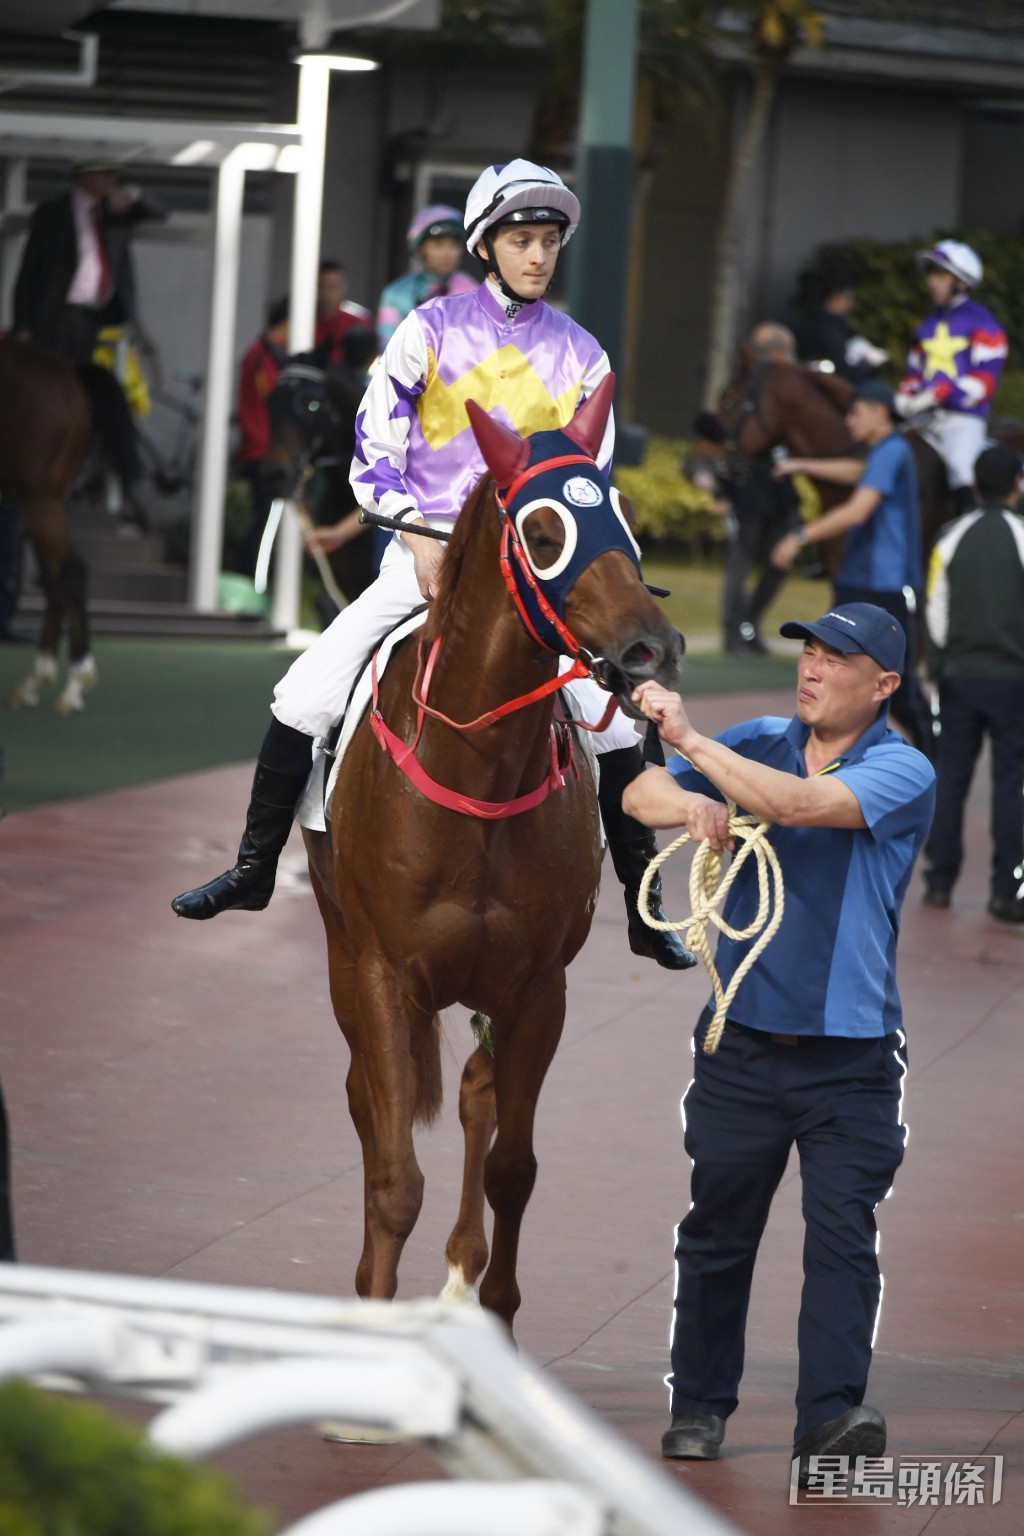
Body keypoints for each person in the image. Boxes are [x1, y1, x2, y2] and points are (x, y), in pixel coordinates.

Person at [171, 160, 696, 971]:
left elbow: (588, 482)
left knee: (620, 721)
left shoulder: (583, 355)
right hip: (423, 554)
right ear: (487, 246)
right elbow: (374, 450)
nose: (538, 256)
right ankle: (252, 869)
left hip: (534, 575)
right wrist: (415, 535)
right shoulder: (427, 329)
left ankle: (643, 903)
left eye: (550, 241)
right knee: (305, 691)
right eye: (522, 239)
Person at [623, 603, 935, 1482]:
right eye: (809, 651)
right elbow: (637, 794)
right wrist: (691, 803)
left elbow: (796, 806)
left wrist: (687, 734)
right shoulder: (759, 738)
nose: (811, 668)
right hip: (742, 1046)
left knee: (842, 1236)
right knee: (718, 1227)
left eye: (838, 660)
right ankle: (699, 1406)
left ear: (882, 686)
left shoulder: (902, 769)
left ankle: (830, 1418)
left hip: (854, 1062)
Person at [770, 379, 935, 757]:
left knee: (901, 688)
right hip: (859, 584)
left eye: (855, 413)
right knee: (842, 677)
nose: (848, 422)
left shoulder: (893, 450)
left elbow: (858, 509)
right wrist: (800, 463)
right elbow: (855, 471)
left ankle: (933, 768)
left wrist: (798, 536)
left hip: (888, 588)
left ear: (879, 412)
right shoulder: (882, 453)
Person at [11, 158, 166, 518]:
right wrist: (23, 324)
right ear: (81, 174)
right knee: (49, 396)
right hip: (54, 316)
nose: (110, 179)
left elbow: (161, 209)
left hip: (95, 320)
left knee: (100, 392)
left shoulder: (115, 212)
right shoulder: (52, 213)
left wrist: (131, 196)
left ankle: (124, 477)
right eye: (104, 172)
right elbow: (29, 271)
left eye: (113, 174)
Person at [921, 444, 1024, 921]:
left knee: (952, 779)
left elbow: (936, 610)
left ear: (976, 484)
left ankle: (939, 883)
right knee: (1011, 784)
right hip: (1013, 681)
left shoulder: (951, 536)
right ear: (1017, 484)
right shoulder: (1021, 535)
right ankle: (1006, 891)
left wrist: (943, 663)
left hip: (959, 677)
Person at [895, 240, 1008, 514]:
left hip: (963, 421)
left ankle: (970, 528)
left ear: (961, 282)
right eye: (931, 275)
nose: (932, 282)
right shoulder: (927, 325)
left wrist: (939, 394)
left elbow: (983, 383)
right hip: (923, 419)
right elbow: (914, 373)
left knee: (960, 468)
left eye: (940, 276)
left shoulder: (984, 322)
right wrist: (906, 397)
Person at [236, 296, 290, 577]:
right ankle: (252, 584)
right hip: (264, 450)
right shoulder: (263, 356)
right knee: (266, 524)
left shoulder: (262, 353)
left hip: (264, 449)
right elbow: (273, 398)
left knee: (266, 521)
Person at [375, 204, 477, 350]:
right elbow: (387, 345)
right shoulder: (396, 293)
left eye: (454, 245)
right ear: (420, 249)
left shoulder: (472, 290)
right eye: (438, 244)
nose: (447, 253)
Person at [791, 273, 888, 383]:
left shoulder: (813, 320)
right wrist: (867, 365)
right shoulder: (827, 329)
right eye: (848, 299)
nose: (850, 305)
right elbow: (840, 368)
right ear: (836, 298)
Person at [314, 259, 374, 366]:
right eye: (323, 286)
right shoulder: (304, 319)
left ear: (343, 287)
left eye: (334, 286)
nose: (328, 293)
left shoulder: (358, 319)